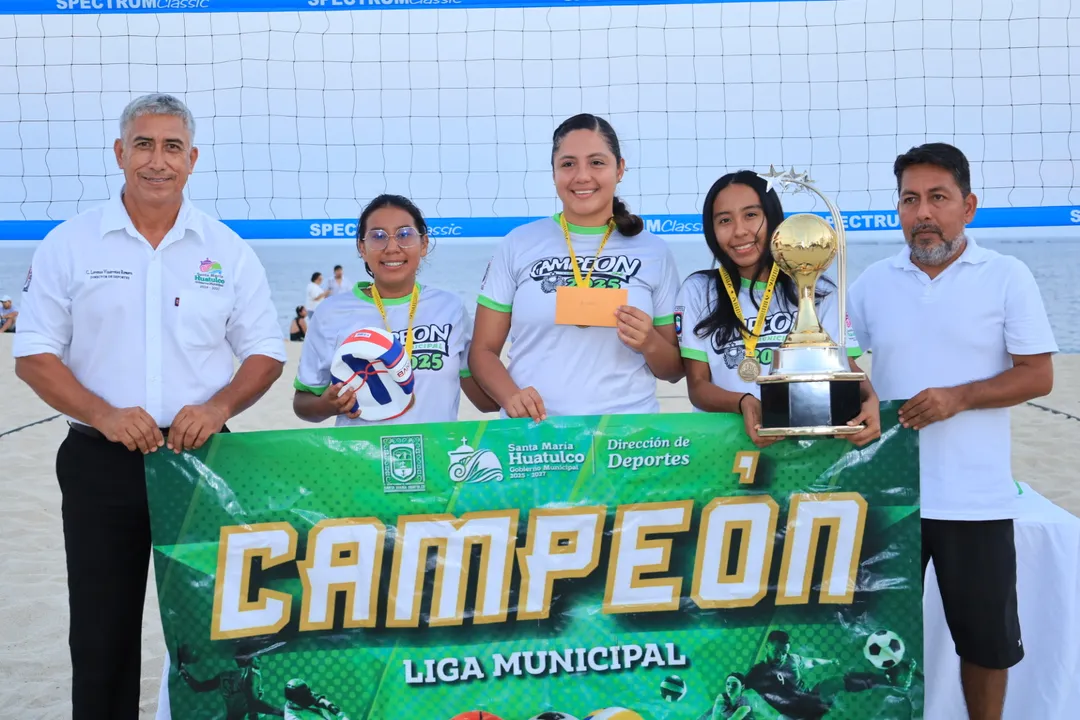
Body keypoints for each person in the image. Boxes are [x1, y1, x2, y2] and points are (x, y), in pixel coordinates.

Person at [11, 92, 286, 719]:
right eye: (143, 144)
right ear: (119, 153)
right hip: (100, 459)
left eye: (171, 147)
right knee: (102, 633)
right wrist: (104, 413)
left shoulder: (226, 248)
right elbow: (33, 355)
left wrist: (219, 406)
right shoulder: (71, 242)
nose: (156, 161)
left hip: (202, 460)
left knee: (219, 635)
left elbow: (266, 351)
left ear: (192, 159)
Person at [847, 142, 1057, 720]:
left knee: (987, 644)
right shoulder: (871, 283)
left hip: (976, 498)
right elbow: (840, 358)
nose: (923, 213)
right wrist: (859, 388)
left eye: (938, 198)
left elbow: (1038, 375)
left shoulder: (1006, 276)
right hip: (889, 497)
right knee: (869, 636)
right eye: (910, 199)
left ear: (968, 205)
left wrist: (959, 398)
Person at [469, 113, 683, 420]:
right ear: (554, 172)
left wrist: (649, 341)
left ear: (619, 169)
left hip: (626, 439)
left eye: (597, 162)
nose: (582, 176)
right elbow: (482, 351)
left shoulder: (654, 251)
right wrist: (510, 396)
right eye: (568, 164)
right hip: (535, 435)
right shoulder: (518, 244)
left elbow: (674, 370)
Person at [675, 171, 880, 448]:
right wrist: (743, 402)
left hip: (809, 445)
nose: (739, 231)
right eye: (724, 220)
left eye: (751, 215)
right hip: (724, 447)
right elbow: (697, 387)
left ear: (773, 219)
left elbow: (847, 367)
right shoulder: (699, 290)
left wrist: (871, 399)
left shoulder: (818, 289)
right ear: (711, 230)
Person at [293, 193, 497, 425]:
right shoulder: (331, 312)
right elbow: (303, 403)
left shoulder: (450, 308)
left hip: (436, 458)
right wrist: (326, 406)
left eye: (404, 234)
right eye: (378, 236)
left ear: (424, 244)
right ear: (362, 247)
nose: (392, 247)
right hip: (359, 459)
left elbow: (484, 401)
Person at [176, 645, 284, 719]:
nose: (260, 660)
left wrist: (183, 670)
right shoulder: (252, 674)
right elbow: (253, 704)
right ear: (251, 658)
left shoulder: (223, 677)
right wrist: (281, 713)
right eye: (258, 656)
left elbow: (198, 687)